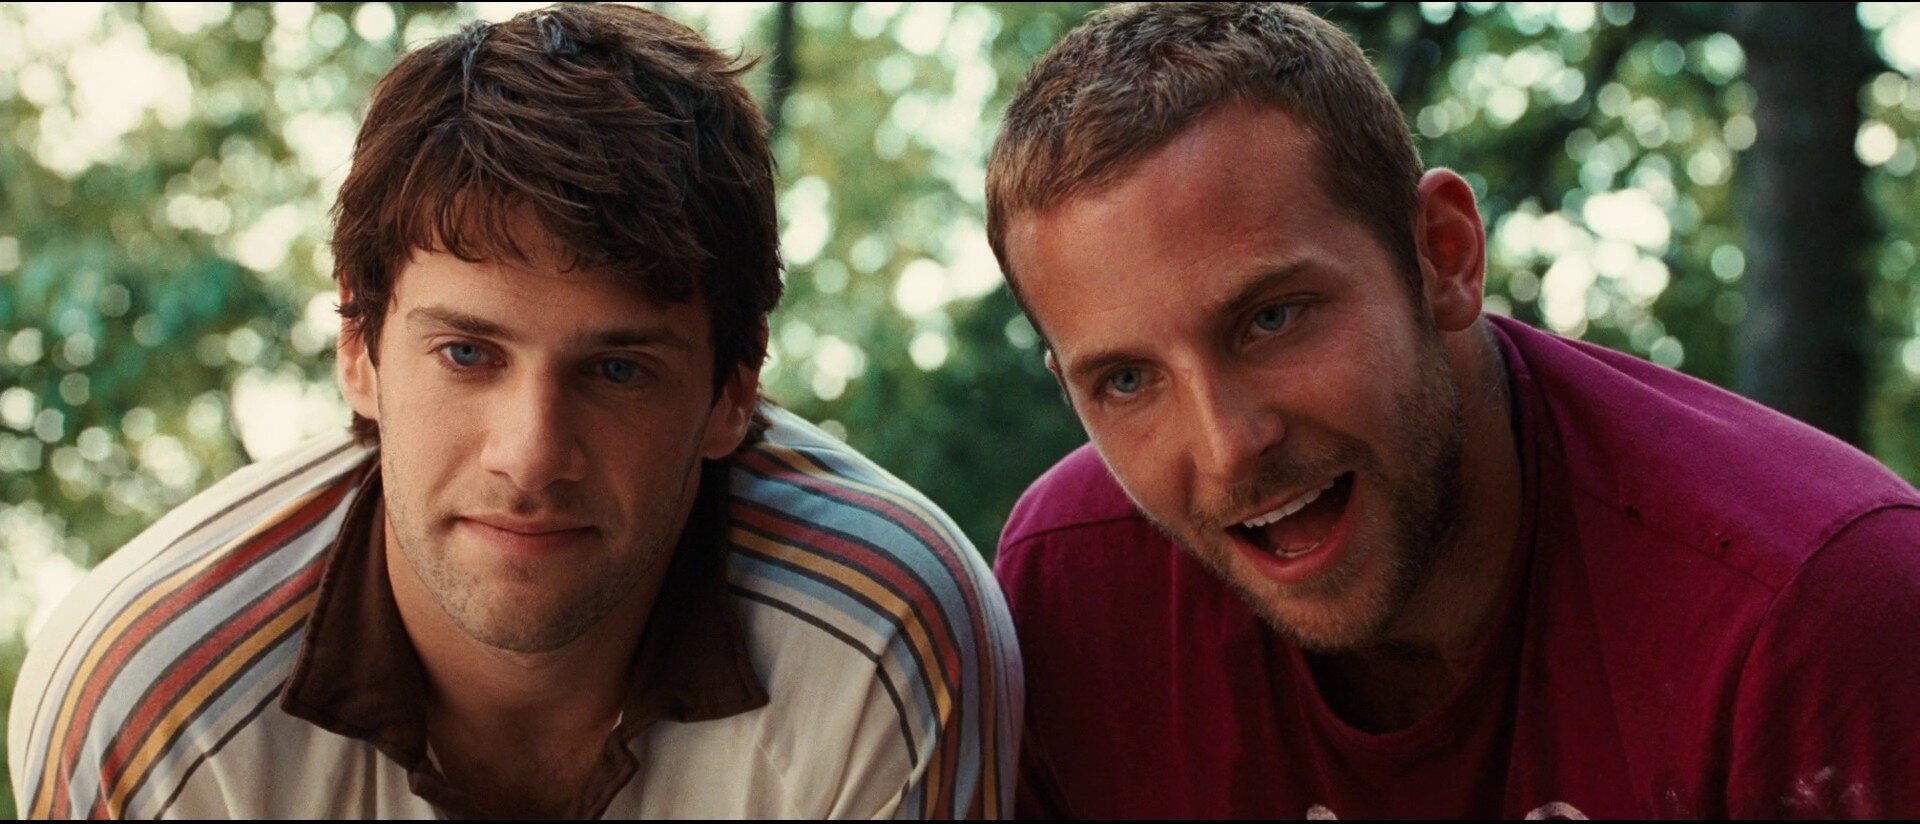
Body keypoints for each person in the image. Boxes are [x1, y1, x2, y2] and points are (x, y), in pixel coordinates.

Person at [9, 5, 1020, 818]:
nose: (531, 456)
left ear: (734, 391)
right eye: (466, 353)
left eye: (617, 370)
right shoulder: (154, 706)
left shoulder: (876, 648)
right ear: (358, 350)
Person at [985, 3, 1920, 818]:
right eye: (1127, 381)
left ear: (1444, 255)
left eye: (1271, 319)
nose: (1228, 447)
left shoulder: (1813, 616)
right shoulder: (1075, 594)